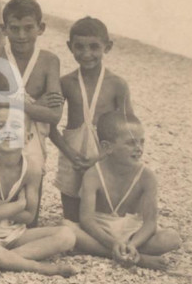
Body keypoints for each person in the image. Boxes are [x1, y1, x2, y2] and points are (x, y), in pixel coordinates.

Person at [0, 107, 78, 279]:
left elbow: (29, 216)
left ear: (27, 138)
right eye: (0, 126)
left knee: (67, 236)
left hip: (15, 233)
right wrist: (19, 205)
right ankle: (40, 268)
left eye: (15, 126)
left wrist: (1, 205)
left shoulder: (33, 168)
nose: (8, 131)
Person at [0, 0, 63, 211]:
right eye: (14, 29)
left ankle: (27, 224)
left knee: (33, 176)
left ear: (41, 28)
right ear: (3, 28)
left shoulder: (49, 60)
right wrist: (34, 107)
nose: (21, 35)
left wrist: (4, 101)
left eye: (28, 28)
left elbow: (54, 115)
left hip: (32, 134)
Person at [49, 17, 134, 223]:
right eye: (79, 47)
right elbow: (50, 126)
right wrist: (70, 154)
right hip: (72, 153)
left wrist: (102, 156)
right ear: (70, 47)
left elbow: (129, 128)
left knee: (102, 217)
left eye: (94, 47)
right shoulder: (66, 82)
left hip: (103, 155)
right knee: (70, 219)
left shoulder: (117, 84)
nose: (86, 54)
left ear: (108, 46)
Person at [72, 111, 180, 269]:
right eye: (131, 143)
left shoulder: (146, 176)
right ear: (107, 147)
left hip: (132, 232)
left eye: (142, 142)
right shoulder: (93, 174)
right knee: (67, 228)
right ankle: (139, 259)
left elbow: (150, 222)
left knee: (172, 238)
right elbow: (87, 220)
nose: (139, 148)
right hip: (101, 230)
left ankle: (120, 252)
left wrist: (134, 244)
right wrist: (114, 243)